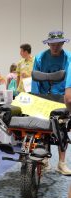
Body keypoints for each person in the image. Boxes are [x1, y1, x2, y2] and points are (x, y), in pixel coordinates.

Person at [32, 30, 71, 175]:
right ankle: (45, 159)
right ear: (48, 43)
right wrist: (35, 99)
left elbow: (69, 81)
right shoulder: (40, 58)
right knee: (43, 129)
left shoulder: (68, 58)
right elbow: (35, 81)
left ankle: (61, 163)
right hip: (43, 96)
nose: (55, 47)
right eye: (52, 44)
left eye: (58, 44)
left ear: (62, 43)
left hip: (61, 97)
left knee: (62, 129)